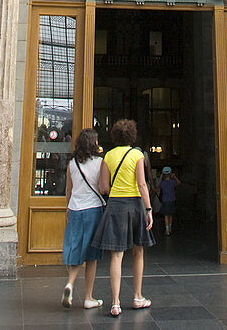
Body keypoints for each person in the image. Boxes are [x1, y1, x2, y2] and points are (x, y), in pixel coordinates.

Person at [93, 118, 155, 317]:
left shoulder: (108, 156)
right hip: (135, 205)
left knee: (116, 255)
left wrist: (116, 192)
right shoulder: (136, 154)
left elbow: (103, 187)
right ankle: (137, 296)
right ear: (132, 135)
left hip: (115, 205)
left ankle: (115, 302)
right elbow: (142, 184)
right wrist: (148, 209)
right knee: (138, 252)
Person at [61, 128, 105, 310]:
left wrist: (67, 207)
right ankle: (88, 297)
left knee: (76, 249)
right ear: (93, 143)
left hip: (75, 209)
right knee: (92, 255)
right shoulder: (100, 162)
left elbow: (68, 189)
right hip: (93, 209)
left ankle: (70, 283)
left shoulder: (72, 163)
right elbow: (103, 187)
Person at [157, 166, 180, 235]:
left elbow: (158, 187)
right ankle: (170, 228)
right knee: (170, 215)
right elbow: (179, 183)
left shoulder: (163, 183)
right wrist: (175, 177)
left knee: (166, 216)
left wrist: (160, 178)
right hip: (172, 200)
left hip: (165, 201)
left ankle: (167, 230)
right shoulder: (173, 182)